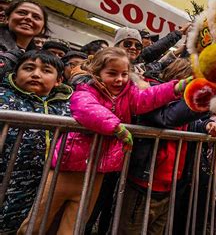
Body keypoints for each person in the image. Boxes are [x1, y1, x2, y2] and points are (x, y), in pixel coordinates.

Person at [18, 47, 189, 234]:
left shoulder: (129, 94)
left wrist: (175, 88)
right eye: (112, 73)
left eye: (124, 74)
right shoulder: (86, 90)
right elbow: (86, 108)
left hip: (96, 173)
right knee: (38, 222)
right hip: (65, 168)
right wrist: (116, 127)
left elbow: (148, 97)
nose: (120, 79)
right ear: (97, 73)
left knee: (73, 226)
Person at [118, 58, 215, 235]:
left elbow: (191, 124)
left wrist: (206, 125)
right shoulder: (150, 94)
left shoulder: (183, 106)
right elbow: (168, 118)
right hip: (143, 184)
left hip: (169, 188)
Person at [0, 50, 72, 234]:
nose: (36, 74)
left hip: (39, 187)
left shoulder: (66, 107)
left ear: (58, 81)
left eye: (46, 70)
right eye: (29, 68)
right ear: (15, 74)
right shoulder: (4, 97)